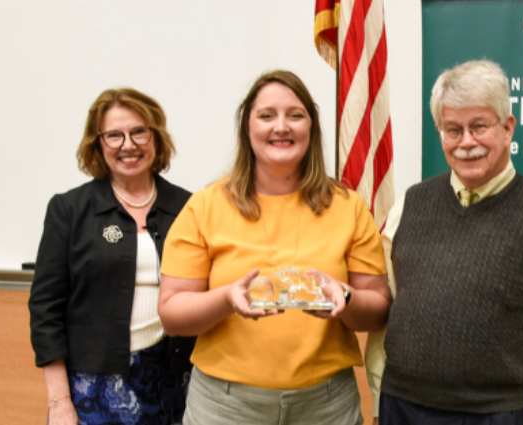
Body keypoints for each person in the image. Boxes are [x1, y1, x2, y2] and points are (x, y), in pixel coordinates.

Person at [157, 70, 391, 425]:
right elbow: (172, 314)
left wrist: (344, 298)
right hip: (226, 406)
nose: (281, 126)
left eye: (295, 115)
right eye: (266, 115)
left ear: (311, 128)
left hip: (326, 405)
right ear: (246, 128)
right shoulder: (205, 206)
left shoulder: (348, 206)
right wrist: (225, 299)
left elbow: (377, 309)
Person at [366, 59, 523, 425]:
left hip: (495, 413)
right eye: (453, 130)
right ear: (440, 133)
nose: (466, 143)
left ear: (508, 128)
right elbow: (388, 310)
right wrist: (382, 393)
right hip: (401, 406)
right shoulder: (409, 205)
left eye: (479, 127)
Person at [29, 88, 195, 425]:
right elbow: (45, 310)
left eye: (139, 132)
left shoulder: (188, 207)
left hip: (174, 382)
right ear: (97, 143)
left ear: (156, 138)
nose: (128, 145)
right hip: (93, 387)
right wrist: (59, 400)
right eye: (114, 135)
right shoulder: (69, 209)